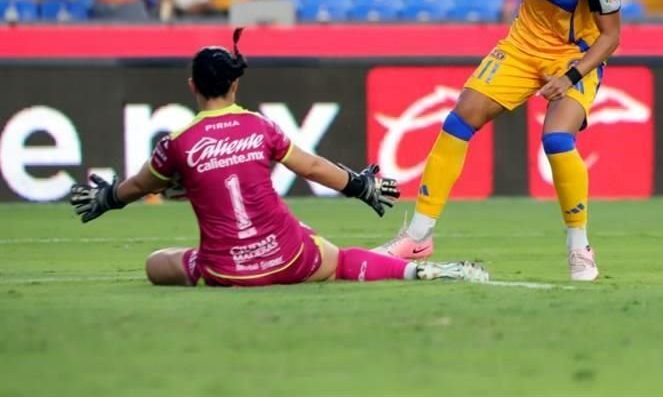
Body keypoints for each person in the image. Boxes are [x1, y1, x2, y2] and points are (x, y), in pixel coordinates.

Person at [69, 29, 489, 287]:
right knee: (338, 259)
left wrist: (108, 199)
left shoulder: (177, 143)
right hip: (288, 257)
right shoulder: (259, 126)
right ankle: (412, 271)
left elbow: (141, 185)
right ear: (234, 85)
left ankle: (406, 262)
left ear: (192, 85)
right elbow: (311, 167)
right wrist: (362, 186)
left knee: (155, 265)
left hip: (225, 271)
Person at [376, 0, 622, 282]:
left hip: (573, 55)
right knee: (459, 118)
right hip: (522, 46)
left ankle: (579, 245)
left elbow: (611, 37)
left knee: (557, 138)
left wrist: (571, 75)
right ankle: (419, 234)